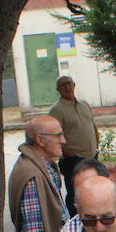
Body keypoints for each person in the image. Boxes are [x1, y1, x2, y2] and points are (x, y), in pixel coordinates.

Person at [48, 75, 99, 213]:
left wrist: (97, 147)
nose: (67, 87)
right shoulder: (57, 110)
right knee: (75, 195)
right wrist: (69, 153)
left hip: (92, 156)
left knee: (93, 190)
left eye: (69, 83)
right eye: (63, 85)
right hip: (73, 160)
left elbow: (92, 125)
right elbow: (55, 135)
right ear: (58, 89)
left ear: (74, 85)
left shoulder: (84, 104)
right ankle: (75, 222)